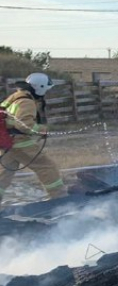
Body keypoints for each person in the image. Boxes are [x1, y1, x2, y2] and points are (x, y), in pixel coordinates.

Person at [0, 72, 67, 205]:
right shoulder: (27, 102)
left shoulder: (15, 98)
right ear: (40, 87)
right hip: (19, 142)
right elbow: (24, 124)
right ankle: (59, 199)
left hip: (8, 142)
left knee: (4, 174)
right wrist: (42, 130)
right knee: (46, 166)